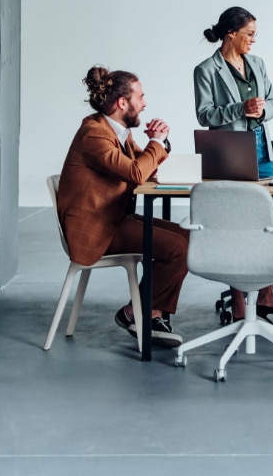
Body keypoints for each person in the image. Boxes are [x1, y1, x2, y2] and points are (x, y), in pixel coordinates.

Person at [57, 66, 190, 348]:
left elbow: (149, 167)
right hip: (96, 229)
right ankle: (140, 314)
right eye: (140, 97)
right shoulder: (94, 134)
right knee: (178, 248)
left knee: (187, 237)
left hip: (113, 218)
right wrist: (154, 143)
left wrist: (160, 142)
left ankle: (146, 312)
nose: (144, 103)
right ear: (122, 103)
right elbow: (136, 173)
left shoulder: (119, 134)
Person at [193, 6, 273, 321]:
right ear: (230, 34)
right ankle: (241, 302)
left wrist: (262, 111)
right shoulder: (207, 69)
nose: (254, 40)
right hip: (228, 151)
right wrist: (240, 109)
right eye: (249, 34)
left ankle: (263, 289)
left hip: (261, 150)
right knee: (236, 224)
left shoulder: (258, 64)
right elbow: (204, 114)